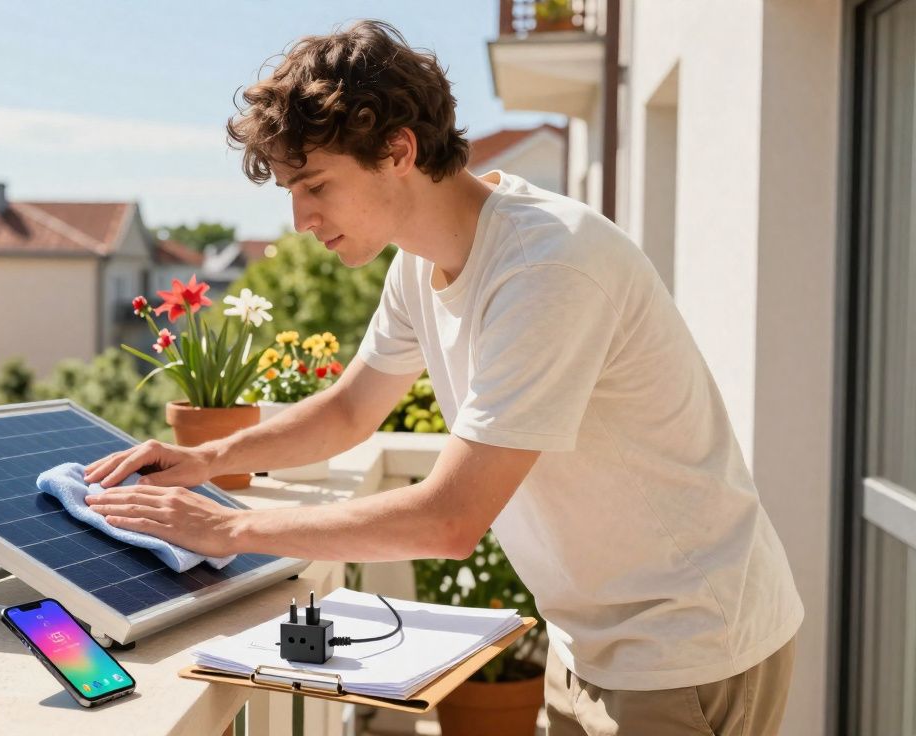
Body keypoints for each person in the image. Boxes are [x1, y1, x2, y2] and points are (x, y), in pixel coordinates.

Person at [84, 19, 801, 735]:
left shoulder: (546, 269)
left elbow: (450, 519)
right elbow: (348, 412)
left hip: (689, 648)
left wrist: (230, 529)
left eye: (315, 185)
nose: (299, 218)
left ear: (398, 150)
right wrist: (206, 458)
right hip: (590, 639)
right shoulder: (419, 266)